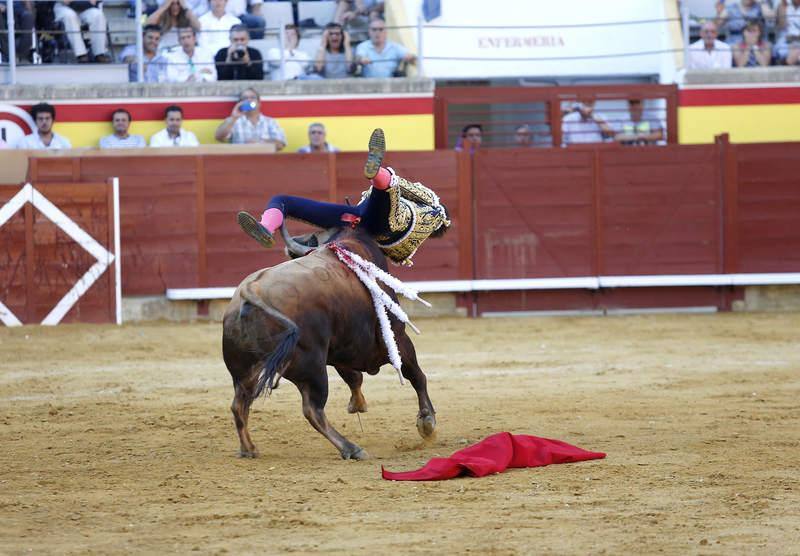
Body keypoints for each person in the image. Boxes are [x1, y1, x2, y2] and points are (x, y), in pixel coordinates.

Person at [237, 128, 450, 267]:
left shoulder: (432, 208)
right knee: (385, 192)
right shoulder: (405, 253)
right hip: (364, 223)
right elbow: (388, 254)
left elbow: (407, 187)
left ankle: (267, 226)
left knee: (283, 200)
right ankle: (264, 228)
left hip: (370, 218)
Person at [214, 88, 286, 150]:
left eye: (252, 97)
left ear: (259, 103)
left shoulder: (270, 121)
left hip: (265, 161)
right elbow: (219, 137)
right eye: (245, 98)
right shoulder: (233, 121)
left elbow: (280, 144)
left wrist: (259, 143)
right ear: (240, 103)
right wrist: (234, 117)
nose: (249, 100)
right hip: (240, 162)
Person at [774, 0, 800, 64]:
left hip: (796, 40)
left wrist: (795, 38)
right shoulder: (783, 4)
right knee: (781, 49)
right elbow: (781, 25)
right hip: (786, 40)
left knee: (796, 51)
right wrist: (783, 6)